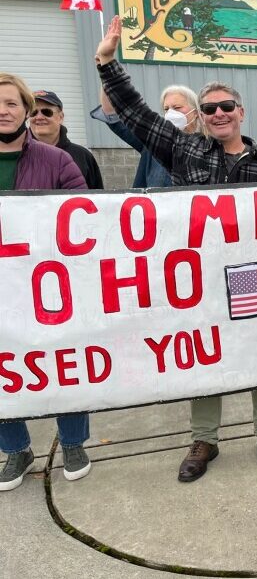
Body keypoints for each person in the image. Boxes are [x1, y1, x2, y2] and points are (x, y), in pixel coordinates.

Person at [94, 15, 257, 483]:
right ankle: (205, 439)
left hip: (253, 279)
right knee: (204, 354)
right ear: (201, 116)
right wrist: (107, 62)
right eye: (210, 108)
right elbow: (138, 115)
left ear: (242, 113)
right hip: (198, 278)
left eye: (226, 107)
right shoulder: (184, 151)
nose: (218, 114)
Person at [0, 73, 91, 491]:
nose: (3, 110)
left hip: (50, 286)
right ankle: (16, 450)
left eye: (12, 103)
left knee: (64, 361)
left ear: (25, 111)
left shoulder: (57, 161)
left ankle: (73, 442)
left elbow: (87, 216)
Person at [91, 84, 203, 188]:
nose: (171, 113)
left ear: (196, 112)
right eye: (166, 109)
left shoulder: (210, 146)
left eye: (177, 107)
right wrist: (105, 69)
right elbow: (112, 114)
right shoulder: (154, 141)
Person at [29, 90, 104, 189]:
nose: (39, 117)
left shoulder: (83, 156)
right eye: (33, 113)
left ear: (60, 117)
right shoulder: (17, 155)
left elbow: (96, 198)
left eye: (46, 112)